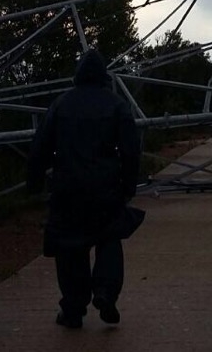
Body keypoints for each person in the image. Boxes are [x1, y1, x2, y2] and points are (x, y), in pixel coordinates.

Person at [26, 48, 142, 329]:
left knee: (69, 248)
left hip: (68, 189)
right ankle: (105, 292)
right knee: (109, 237)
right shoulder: (116, 105)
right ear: (103, 76)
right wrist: (128, 185)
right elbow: (130, 150)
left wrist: (34, 183)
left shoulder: (61, 104)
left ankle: (74, 310)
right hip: (105, 187)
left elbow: (41, 146)